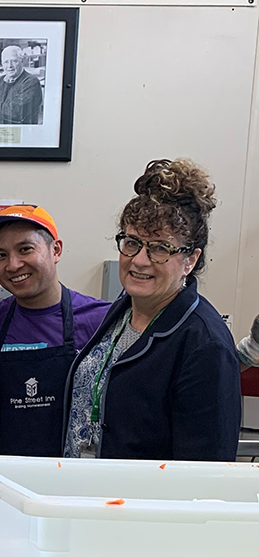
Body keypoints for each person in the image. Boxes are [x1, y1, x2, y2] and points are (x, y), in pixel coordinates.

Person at [63, 158, 241, 460]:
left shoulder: (205, 344)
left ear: (190, 260)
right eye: (132, 242)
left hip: (136, 492)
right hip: (83, 485)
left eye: (160, 248)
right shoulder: (123, 311)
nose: (139, 260)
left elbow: (205, 468)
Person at [0, 205, 111, 456]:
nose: (13, 265)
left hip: (71, 473)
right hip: (3, 471)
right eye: (0, 255)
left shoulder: (100, 320)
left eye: (25, 249)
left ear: (56, 250)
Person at [0, 44, 43, 125]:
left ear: (22, 61)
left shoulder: (31, 82)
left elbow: (17, 112)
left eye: (14, 61)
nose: (9, 66)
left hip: (20, 131)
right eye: (6, 62)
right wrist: (6, 114)